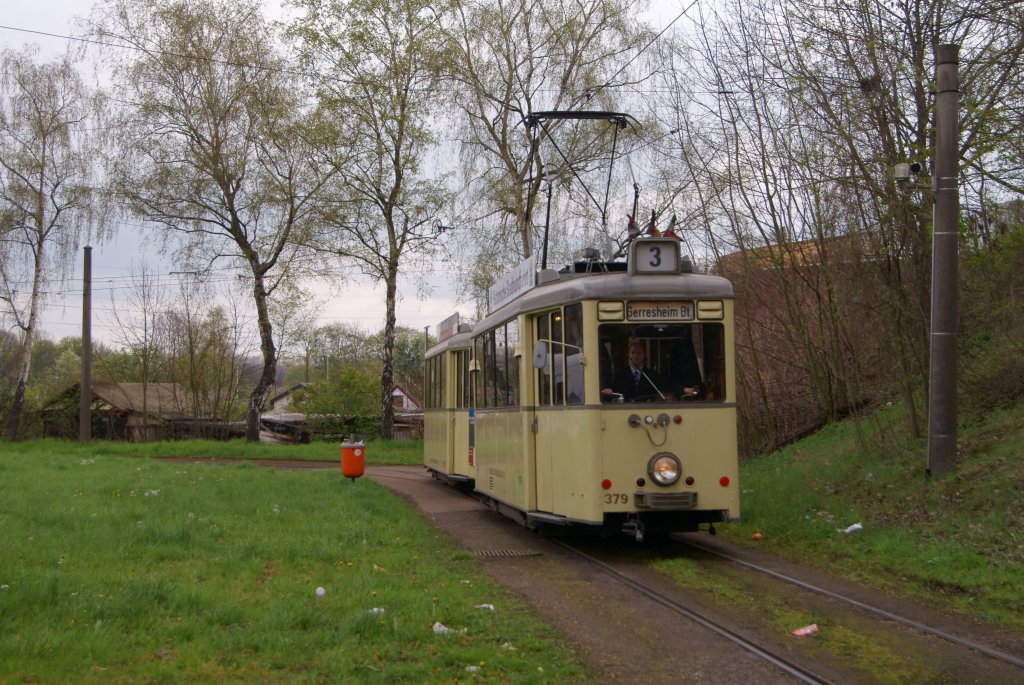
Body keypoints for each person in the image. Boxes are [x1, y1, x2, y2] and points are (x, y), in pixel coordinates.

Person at [602, 341, 670, 401]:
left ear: (643, 355)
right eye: (633, 353)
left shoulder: (653, 375)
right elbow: (611, 392)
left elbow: (663, 392)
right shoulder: (619, 375)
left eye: (639, 353)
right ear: (629, 355)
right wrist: (609, 392)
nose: (636, 356)